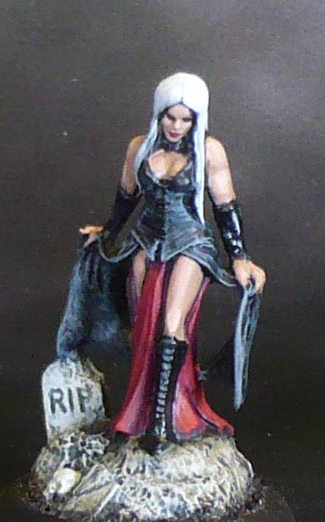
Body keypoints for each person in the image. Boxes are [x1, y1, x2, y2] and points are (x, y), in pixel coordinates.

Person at [60, 72, 265, 453]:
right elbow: (126, 197)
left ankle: (162, 423)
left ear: (197, 119)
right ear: (160, 112)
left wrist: (239, 256)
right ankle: (139, 413)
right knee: (144, 326)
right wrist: (107, 231)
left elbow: (225, 206)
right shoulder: (140, 147)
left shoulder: (209, 152)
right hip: (146, 239)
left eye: (186, 119)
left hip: (190, 243)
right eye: (171, 117)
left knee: (172, 324)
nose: (177, 126)